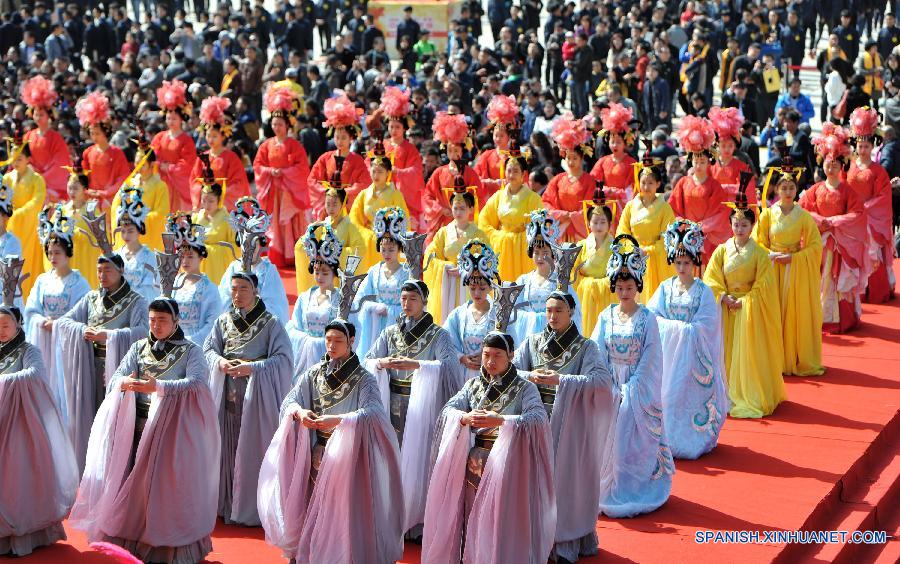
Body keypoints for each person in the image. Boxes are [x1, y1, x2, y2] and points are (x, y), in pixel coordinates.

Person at [70, 294, 219, 562]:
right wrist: (127, 381)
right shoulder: (139, 348)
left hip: (171, 431)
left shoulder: (191, 351)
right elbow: (117, 377)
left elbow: (197, 383)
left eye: (162, 320)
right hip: (136, 428)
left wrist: (159, 388)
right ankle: (133, 539)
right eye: (152, 320)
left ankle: (166, 546)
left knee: (164, 488)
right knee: (133, 485)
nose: (156, 325)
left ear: (176, 321)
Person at [259, 299, 404, 562]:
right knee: (314, 505)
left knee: (343, 511)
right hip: (318, 453)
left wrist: (339, 421)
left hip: (348, 457)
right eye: (328, 340)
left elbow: (373, 413)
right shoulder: (313, 374)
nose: (331, 345)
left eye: (338, 340)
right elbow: (290, 401)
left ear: (351, 342)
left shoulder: (363, 379)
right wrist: (300, 412)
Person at [420, 329, 553, 563]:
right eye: (486, 355)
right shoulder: (472, 385)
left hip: (509, 465)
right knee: (472, 516)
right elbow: (448, 410)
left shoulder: (525, 388)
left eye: (497, 355)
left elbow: (538, 419)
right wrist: (463, 418)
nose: (490, 361)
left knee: (502, 519)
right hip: (474, 464)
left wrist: (502, 421)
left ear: (511, 355)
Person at [513, 288, 615, 562]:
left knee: (563, 482)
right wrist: (531, 375)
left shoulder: (585, 347)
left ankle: (563, 541)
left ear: (571, 312)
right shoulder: (532, 342)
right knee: (532, 480)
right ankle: (533, 537)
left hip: (568, 426)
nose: (552, 316)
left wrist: (561, 381)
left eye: (559, 310)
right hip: (535, 423)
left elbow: (602, 382)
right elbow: (512, 372)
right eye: (548, 310)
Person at [203, 224, 292, 527]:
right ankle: (225, 503)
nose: (237, 294)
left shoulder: (270, 323)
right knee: (226, 450)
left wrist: (252, 368)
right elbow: (208, 350)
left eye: (243, 289)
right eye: (233, 288)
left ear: (255, 290)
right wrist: (219, 363)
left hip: (255, 401)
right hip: (227, 395)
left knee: (251, 452)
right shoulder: (224, 320)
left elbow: (283, 360)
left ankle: (252, 507)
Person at [364, 275, 463, 540]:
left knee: (419, 460)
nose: (407, 303)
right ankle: (390, 516)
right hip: (392, 402)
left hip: (422, 408)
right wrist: (382, 363)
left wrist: (420, 367)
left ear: (425, 302)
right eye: (403, 298)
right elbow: (369, 360)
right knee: (392, 458)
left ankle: (417, 521)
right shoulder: (390, 332)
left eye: (413, 299)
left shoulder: (438, 334)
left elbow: (451, 368)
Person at [590, 234, 673, 516]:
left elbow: (651, 358)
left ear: (637, 287)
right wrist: (608, 386)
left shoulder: (648, 318)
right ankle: (605, 485)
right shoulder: (606, 316)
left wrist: (630, 390)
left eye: (629, 286)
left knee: (629, 435)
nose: (624, 291)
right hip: (610, 386)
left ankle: (632, 485)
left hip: (636, 388)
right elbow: (597, 353)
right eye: (620, 286)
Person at [56, 221, 149, 472]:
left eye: (107, 270)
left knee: (119, 421)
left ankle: (119, 469)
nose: (102, 276)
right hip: (92, 367)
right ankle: (93, 469)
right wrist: (81, 330)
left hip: (121, 368)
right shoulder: (91, 298)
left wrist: (110, 336)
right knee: (94, 417)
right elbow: (64, 322)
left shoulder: (136, 301)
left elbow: (144, 333)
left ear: (120, 271)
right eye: (99, 271)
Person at [0, 257, 78, 557]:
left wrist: (6, 380)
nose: (2, 331)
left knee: (17, 474)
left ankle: (23, 532)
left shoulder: (29, 350)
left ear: (18, 325)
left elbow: (35, 375)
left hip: (21, 423)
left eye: (6, 325)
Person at [703, 182, 786, 418]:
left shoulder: (759, 253)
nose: (739, 228)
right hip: (727, 307)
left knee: (747, 354)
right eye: (735, 224)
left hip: (748, 309)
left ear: (752, 226)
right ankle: (726, 391)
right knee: (726, 352)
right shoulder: (722, 250)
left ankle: (748, 392)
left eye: (744, 225)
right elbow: (711, 276)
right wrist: (722, 296)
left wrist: (746, 301)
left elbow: (765, 284)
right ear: (730, 225)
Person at [647, 220, 728, 458]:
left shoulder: (703, 291)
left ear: (694, 263)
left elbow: (707, 325)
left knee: (685, 398)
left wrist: (684, 331)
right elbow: (653, 316)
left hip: (692, 357)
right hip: (667, 357)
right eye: (678, 263)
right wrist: (677, 328)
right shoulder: (664, 287)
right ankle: (666, 439)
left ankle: (691, 439)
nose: (682, 268)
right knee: (666, 397)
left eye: (687, 263)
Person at [753, 164, 825, 376]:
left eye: (791, 187)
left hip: (793, 269)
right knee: (773, 312)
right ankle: (772, 358)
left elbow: (814, 246)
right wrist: (771, 255)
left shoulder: (803, 216)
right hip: (772, 267)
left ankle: (791, 357)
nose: (787, 192)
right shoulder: (767, 214)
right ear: (776, 189)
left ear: (796, 190)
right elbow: (758, 242)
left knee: (790, 313)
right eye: (783, 187)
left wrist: (794, 258)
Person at [799, 123, 867, 334]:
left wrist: (834, 222)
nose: (831, 168)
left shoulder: (848, 190)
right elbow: (803, 211)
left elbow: (857, 214)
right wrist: (820, 219)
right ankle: (818, 317)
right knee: (819, 279)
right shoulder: (815, 189)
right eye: (828, 164)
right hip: (818, 241)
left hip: (839, 244)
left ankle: (839, 319)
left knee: (836, 279)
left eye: (835, 165)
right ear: (823, 164)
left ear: (841, 167)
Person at [254, 84, 310, 267]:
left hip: (288, 192)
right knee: (276, 225)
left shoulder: (295, 145)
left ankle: (294, 255)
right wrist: (270, 172)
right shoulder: (266, 145)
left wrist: (284, 173)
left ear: (288, 125)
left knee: (290, 224)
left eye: (280, 124)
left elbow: (302, 167)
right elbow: (258, 165)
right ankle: (278, 254)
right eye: (274, 123)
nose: (276, 127)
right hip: (274, 192)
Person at [846, 107, 895, 303]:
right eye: (860, 145)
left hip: (869, 219)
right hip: (852, 217)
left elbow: (883, 196)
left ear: (872, 146)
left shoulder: (878, 171)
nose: (863, 149)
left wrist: (864, 208)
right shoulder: (848, 166)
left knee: (871, 253)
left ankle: (873, 291)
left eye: (866, 146)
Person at [511, 209, 582, 345]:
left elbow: (574, 312)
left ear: (552, 254)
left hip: (555, 339)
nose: (540, 257)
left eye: (545, 252)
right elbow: (514, 313)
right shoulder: (523, 281)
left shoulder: (561, 282)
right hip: (528, 340)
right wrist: (535, 319)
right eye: (536, 252)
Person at [422, 178, 486, 324]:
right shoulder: (444, 232)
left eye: (462, 208)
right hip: (448, 283)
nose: (458, 212)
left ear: (471, 209)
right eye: (455, 208)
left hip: (470, 284)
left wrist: (467, 268)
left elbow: (487, 260)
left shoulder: (479, 234)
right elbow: (430, 256)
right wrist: (444, 266)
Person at [216, 198, 289, 324]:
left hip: (260, 327)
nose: (249, 251)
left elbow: (277, 306)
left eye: (253, 246)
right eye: (245, 246)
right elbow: (222, 300)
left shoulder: (268, 270)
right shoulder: (234, 268)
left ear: (261, 245)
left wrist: (252, 314)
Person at [477, 144, 544, 281]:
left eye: (515, 171)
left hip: (523, 253)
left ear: (523, 174)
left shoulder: (533, 198)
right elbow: (484, 222)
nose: (511, 175)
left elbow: (538, 228)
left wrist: (520, 239)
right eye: (509, 171)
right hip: (502, 250)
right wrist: (500, 237)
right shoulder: (498, 196)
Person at [670, 116, 731, 263]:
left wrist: (701, 228)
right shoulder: (683, 183)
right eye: (696, 161)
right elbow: (674, 208)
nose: (698, 165)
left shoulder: (715, 186)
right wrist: (685, 227)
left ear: (709, 163)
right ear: (691, 161)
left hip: (708, 237)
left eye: (702, 161)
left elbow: (720, 212)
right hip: (685, 234)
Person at [352, 207, 411, 356]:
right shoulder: (374, 271)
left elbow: (414, 301)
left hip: (399, 324)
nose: (386, 254)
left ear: (399, 249)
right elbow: (361, 299)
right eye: (383, 249)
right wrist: (375, 307)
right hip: (375, 325)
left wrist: (394, 311)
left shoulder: (406, 272)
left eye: (391, 249)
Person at [617, 151, 676, 302]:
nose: (646, 186)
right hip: (633, 257)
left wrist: (648, 251)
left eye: (650, 182)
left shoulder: (665, 208)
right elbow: (622, 232)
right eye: (643, 182)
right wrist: (632, 250)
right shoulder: (630, 206)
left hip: (656, 260)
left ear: (658, 184)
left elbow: (668, 238)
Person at [286, 222, 341, 377]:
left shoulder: (341, 299)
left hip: (331, 355)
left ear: (334, 273)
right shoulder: (305, 297)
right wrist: (310, 342)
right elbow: (295, 327)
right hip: (305, 357)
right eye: (317, 272)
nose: (320, 277)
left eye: (325, 272)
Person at [295, 182, 368, 296]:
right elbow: (305, 244)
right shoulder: (323, 224)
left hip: (338, 276)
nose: (331, 208)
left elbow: (360, 249)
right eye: (328, 204)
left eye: (334, 204)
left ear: (342, 204)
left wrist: (338, 253)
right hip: (323, 273)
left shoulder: (349, 225)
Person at [423, 112, 486, 240]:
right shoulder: (439, 172)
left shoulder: (470, 173)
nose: (452, 154)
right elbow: (427, 196)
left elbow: (478, 198)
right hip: (442, 223)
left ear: (462, 151)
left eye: (456, 150)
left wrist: (463, 211)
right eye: (449, 150)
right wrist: (441, 209)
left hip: (465, 224)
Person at [349, 134, 409, 266]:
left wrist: (390, 236)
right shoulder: (364, 194)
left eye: (380, 172)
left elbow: (404, 221)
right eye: (373, 171)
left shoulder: (395, 195)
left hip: (391, 242)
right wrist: (368, 235)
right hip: (369, 241)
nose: (376, 175)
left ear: (388, 172)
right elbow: (353, 220)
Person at [443, 240, 499, 382]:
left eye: (482, 288)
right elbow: (445, 339)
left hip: (490, 375)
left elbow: (509, 345)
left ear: (490, 287)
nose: (477, 293)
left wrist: (487, 357)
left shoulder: (498, 314)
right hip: (463, 375)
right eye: (472, 288)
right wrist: (461, 357)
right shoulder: (459, 314)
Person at [307, 94, 371, 216]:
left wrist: (344, 192)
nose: (340, 141)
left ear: (350, 138)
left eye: (343, 138)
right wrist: (326, 191)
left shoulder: (357, 160)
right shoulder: (325, 158)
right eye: (337, 137)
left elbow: (364, 183)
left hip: (349, 208)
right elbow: (312, 180)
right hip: (328, 206)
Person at [2, 127, 45, 298]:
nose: (16, 161)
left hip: (28, 227)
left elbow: (37, 201)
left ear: (28, 159)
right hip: (8, 225)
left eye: (19, 158)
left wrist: (19, 213)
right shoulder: (7, 178)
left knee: (26, 264)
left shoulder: (36, 179)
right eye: (13, 158)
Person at [373, 87, 426, 226]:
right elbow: (369, 164)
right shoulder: (381, 145)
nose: (394, 130)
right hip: (381, 194)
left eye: (397, 127)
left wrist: (398, 172)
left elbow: (416, 172)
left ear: (404, 129)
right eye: (391, 127)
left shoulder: (410, 149)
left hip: (403, 197)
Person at [109, 132, 169, 252]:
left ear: (152, 165)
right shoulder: (129, 183)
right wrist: (125, 215)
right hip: (128, 229)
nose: (137, 166)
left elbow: (162, 214)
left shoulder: (160, 186)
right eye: (136, 162)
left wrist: (140, 217)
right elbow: (116, 204)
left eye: (142, 164)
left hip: (146, 234)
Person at [167, 213, 221, 346]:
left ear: (201, 258)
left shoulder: (209, 288)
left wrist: (189, 342)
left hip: (197, 346)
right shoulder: (174, 283)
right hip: (173, 343)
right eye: (182, 256)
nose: (185, 261)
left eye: (190, 256)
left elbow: (213, 323)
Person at [189, 96, 251, 210]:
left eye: (214, 136)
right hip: (206, 206)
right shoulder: (202, 157)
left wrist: (219, 193)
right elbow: (194, 180)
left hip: (225, 208)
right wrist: (204, 190)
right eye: (208, 136)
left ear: (223, 136)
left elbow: (238, 184)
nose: (210, 140)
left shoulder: (231, 158)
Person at [543, 115, 597, 242]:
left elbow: (590, 207)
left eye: (575, 158)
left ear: (582, 158)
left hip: (580, 233)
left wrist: (573, 217)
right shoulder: (557, 180)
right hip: (559, 231)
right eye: (568, 158)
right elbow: (546, 201)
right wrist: (562, 215)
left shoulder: (589, 181)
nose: (571, 162)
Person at [20, 76, 72, 202]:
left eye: (41, 115)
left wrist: (41, 177)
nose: (38, 118)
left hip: (50, 185)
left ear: (49, 116)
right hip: (30, 179)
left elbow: (60, 164)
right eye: (36, 114)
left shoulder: (56, 138)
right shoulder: (28, 135)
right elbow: (22, 157)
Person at [574, 186, 617, 337]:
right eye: (595, 222)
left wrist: (603, 283)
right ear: (588, 223)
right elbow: (574, 275)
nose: (599, 226)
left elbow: (619, 273)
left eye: (603, 222)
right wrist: (587, 284)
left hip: (609, 296)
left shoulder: (617, 247)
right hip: (585, 297)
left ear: (609, 223)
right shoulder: (581, 246)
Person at [75, 91, 130, 207]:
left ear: (106, 132)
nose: (94, 137)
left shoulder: (117, 153)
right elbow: (84, 176)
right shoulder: (88, 152)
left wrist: (106, 192)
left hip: (111, 200)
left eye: (97, 133)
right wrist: (86, 190)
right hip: (91, 199)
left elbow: (123, 177)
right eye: (92, 133)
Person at [151, 79, 198, 211]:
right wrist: (159, 165)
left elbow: (188, 163)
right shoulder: (159, 137)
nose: (171, 121)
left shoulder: (186, 140)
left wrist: (170, 168)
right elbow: (152, 155)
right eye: (168, 118)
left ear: (181, 119)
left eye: (174, 118)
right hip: (160, 181)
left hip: (177, 186)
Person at [590, 102, 638, 219]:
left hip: (624, 209)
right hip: (604, 207)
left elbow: (634, 188)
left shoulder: (632, 163)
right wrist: (606, 191)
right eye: (612, 142)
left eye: (618, 142)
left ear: (625, 143)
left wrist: (617, 193)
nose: (615, 145)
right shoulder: (602, 161)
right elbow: (593, 182)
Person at [193, 161, 238, 286]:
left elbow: (236, 247)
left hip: (219, 268)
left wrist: (212, 250)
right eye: (204, 201)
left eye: (211, 201)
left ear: (219, 200)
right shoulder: (196, 218)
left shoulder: (228, 220)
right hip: (198, 265)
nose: (206, 205)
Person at [474, 94, 526, 195]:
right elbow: (476, 178)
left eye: (501, 136)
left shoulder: (517, 155)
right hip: (491, 200)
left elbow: (524, 180)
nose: (497, 139)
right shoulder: (487, 155)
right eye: (496, 135)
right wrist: (490, 182)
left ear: (509, 136)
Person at [113, 187, 158, 304]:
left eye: (130, 231)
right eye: (123, 231)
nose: (126, 235)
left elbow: (152, 290)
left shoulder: (149, 257)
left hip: (140, 308)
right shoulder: (116, 255)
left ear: (139, 231)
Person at [709, 106, 757, 203]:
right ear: (717, 144)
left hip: (735, 209)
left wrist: (722, 188)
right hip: (714, 207)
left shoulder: (742, 167)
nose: (727, 149)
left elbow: (747, 188)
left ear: (735, 146)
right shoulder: (710, 166)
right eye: (723, 145)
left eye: (730, 146)